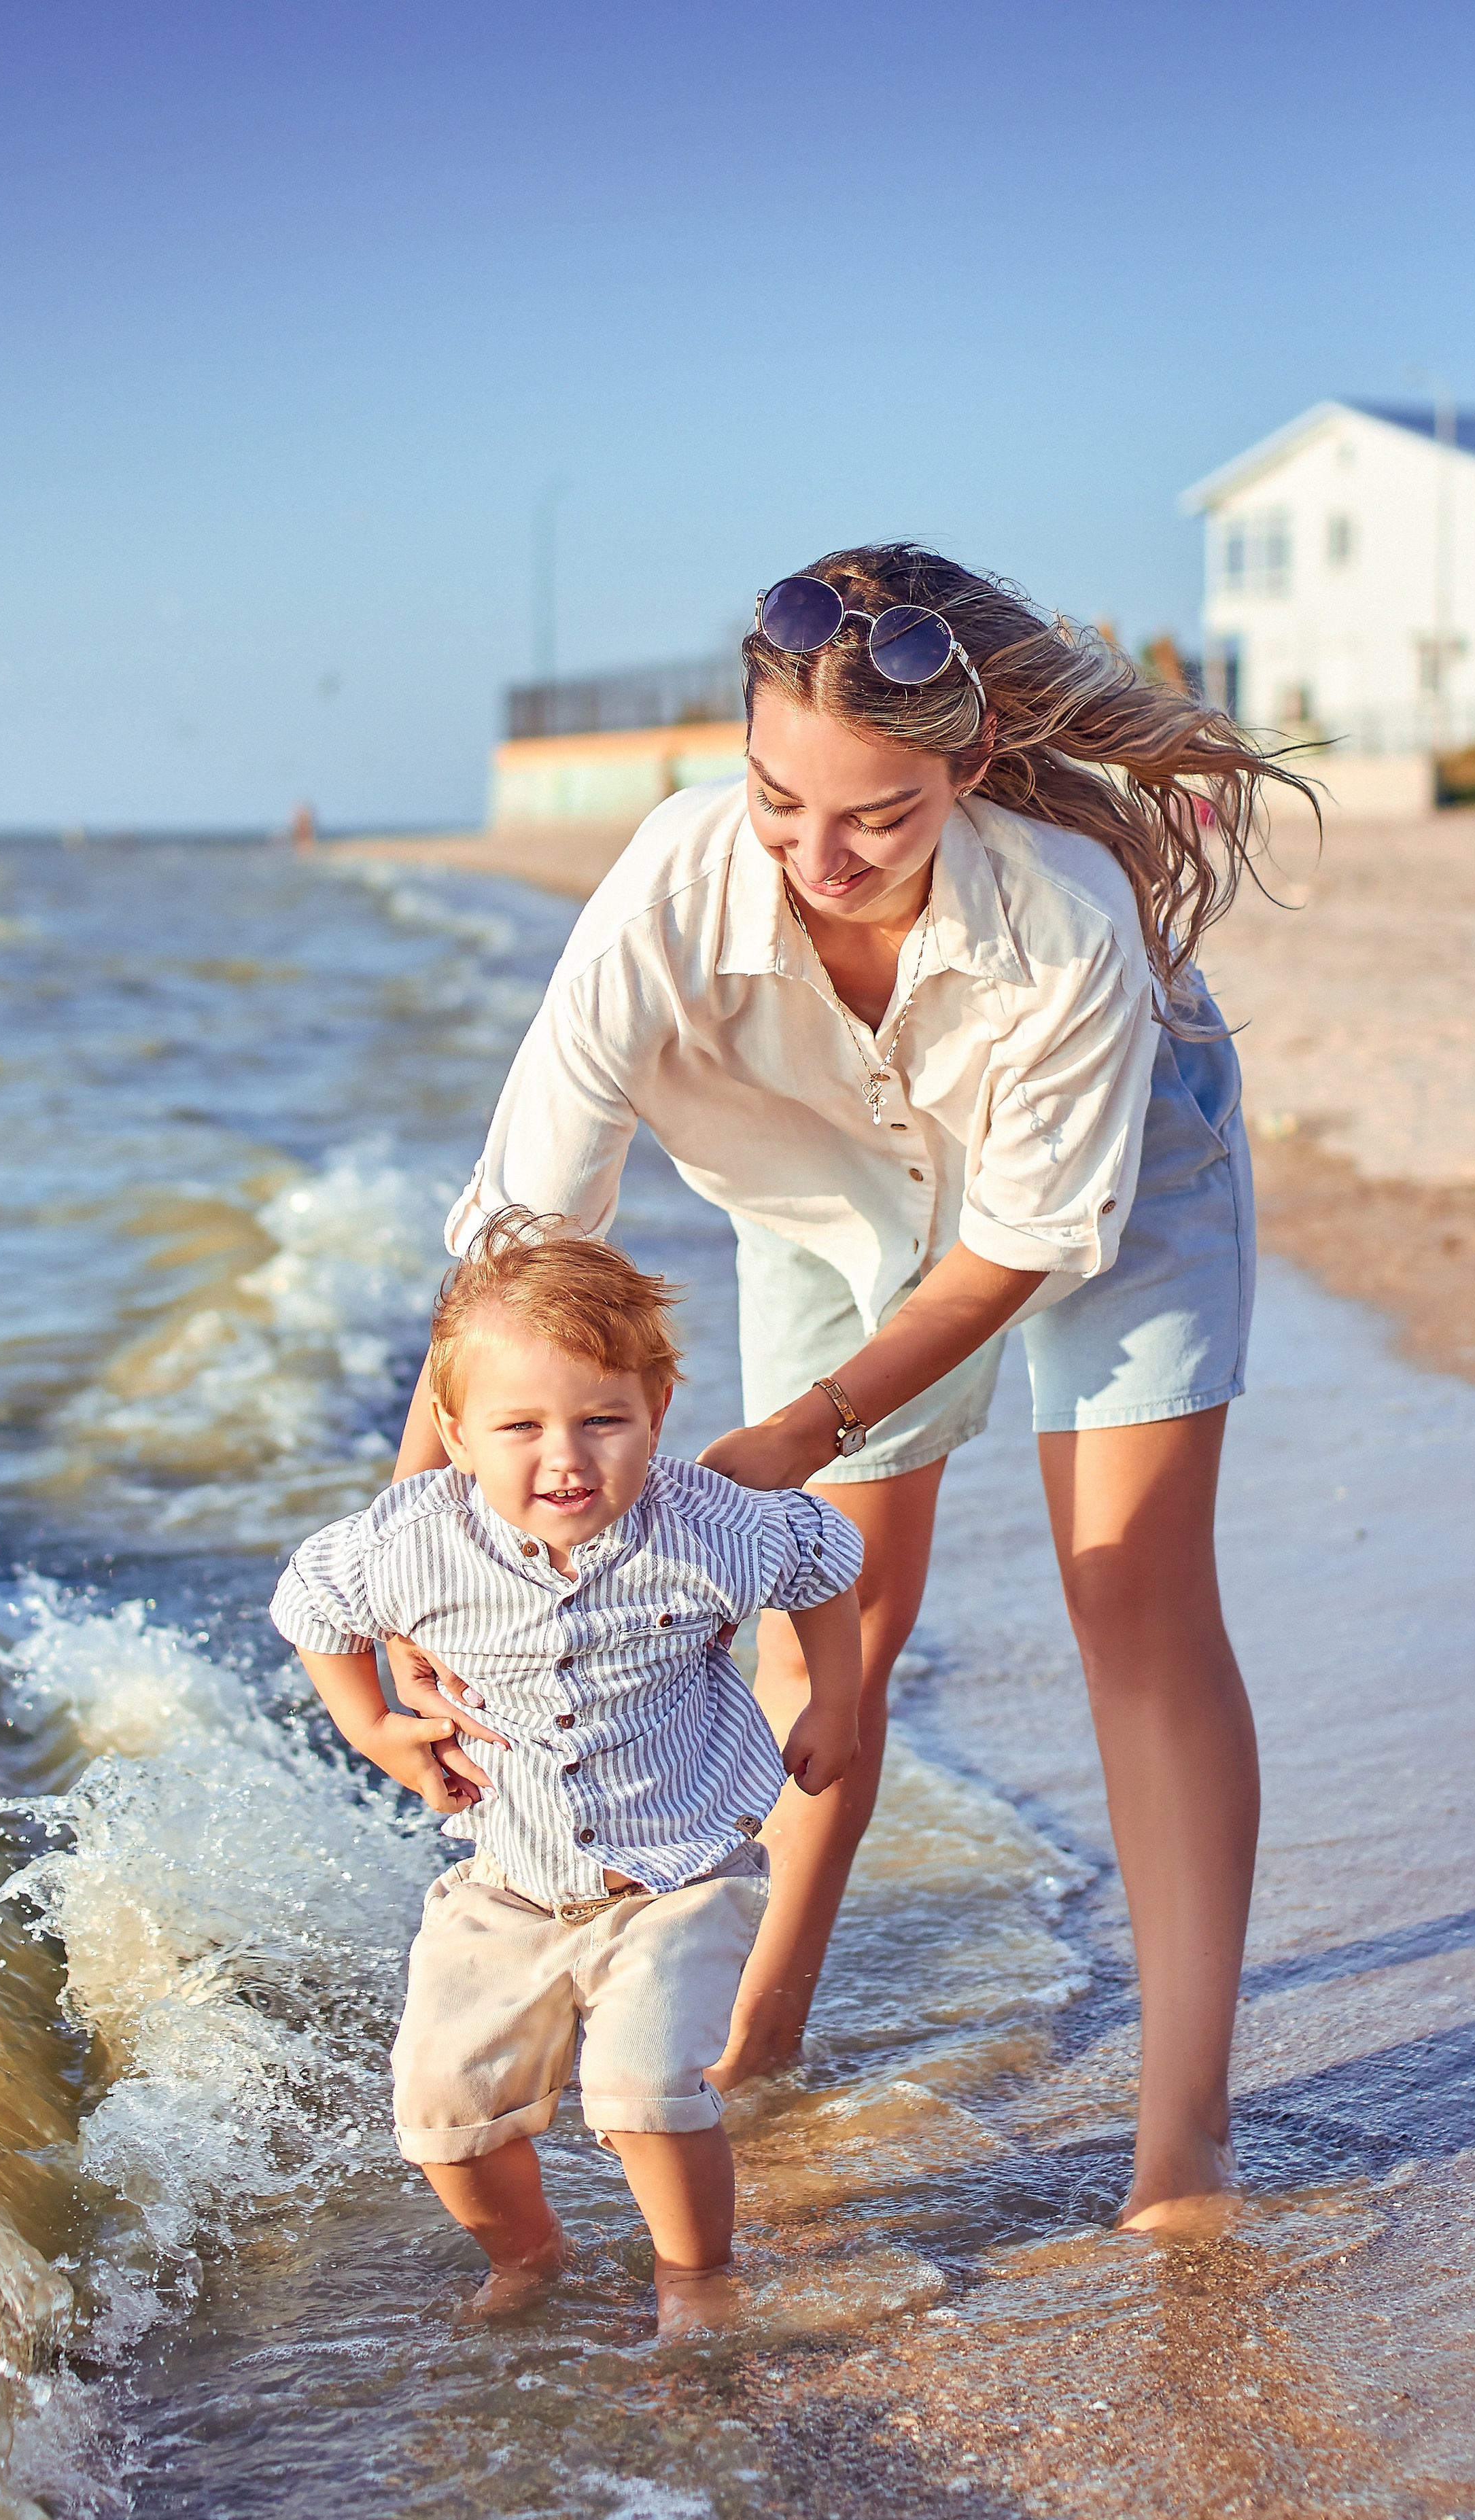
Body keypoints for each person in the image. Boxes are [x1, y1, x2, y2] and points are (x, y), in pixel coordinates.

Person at [383, 543, 1318, 2233]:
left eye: (877, 816)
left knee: (1130, 1601)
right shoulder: (665, 894)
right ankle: (757, 2026)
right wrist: (411, 1557)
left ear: (962, 770)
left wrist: (799, 1428)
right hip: (815, 1190)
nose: (818, 857)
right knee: (838, 1603)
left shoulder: (1064, 921)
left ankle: (1180, 2144)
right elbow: (507, 1264)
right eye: (774, 796)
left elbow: (1010, 1250)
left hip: (1100, 1197)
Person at [271, 1212, 864, 2334]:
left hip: (680, 1867)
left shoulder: (709, 1524)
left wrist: (835, 1699)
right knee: (443, 2107)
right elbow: (313, 1606)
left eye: (604, 1420)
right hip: (507, 1880)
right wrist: (372, 1729)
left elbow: (824, 1560)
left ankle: (697, 2276)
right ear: (453, 1430)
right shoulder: (411, 1541)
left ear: (657, 1414)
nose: (565, 1456)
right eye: (521, 1425)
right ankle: (531, 2256)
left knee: (644, 2089)